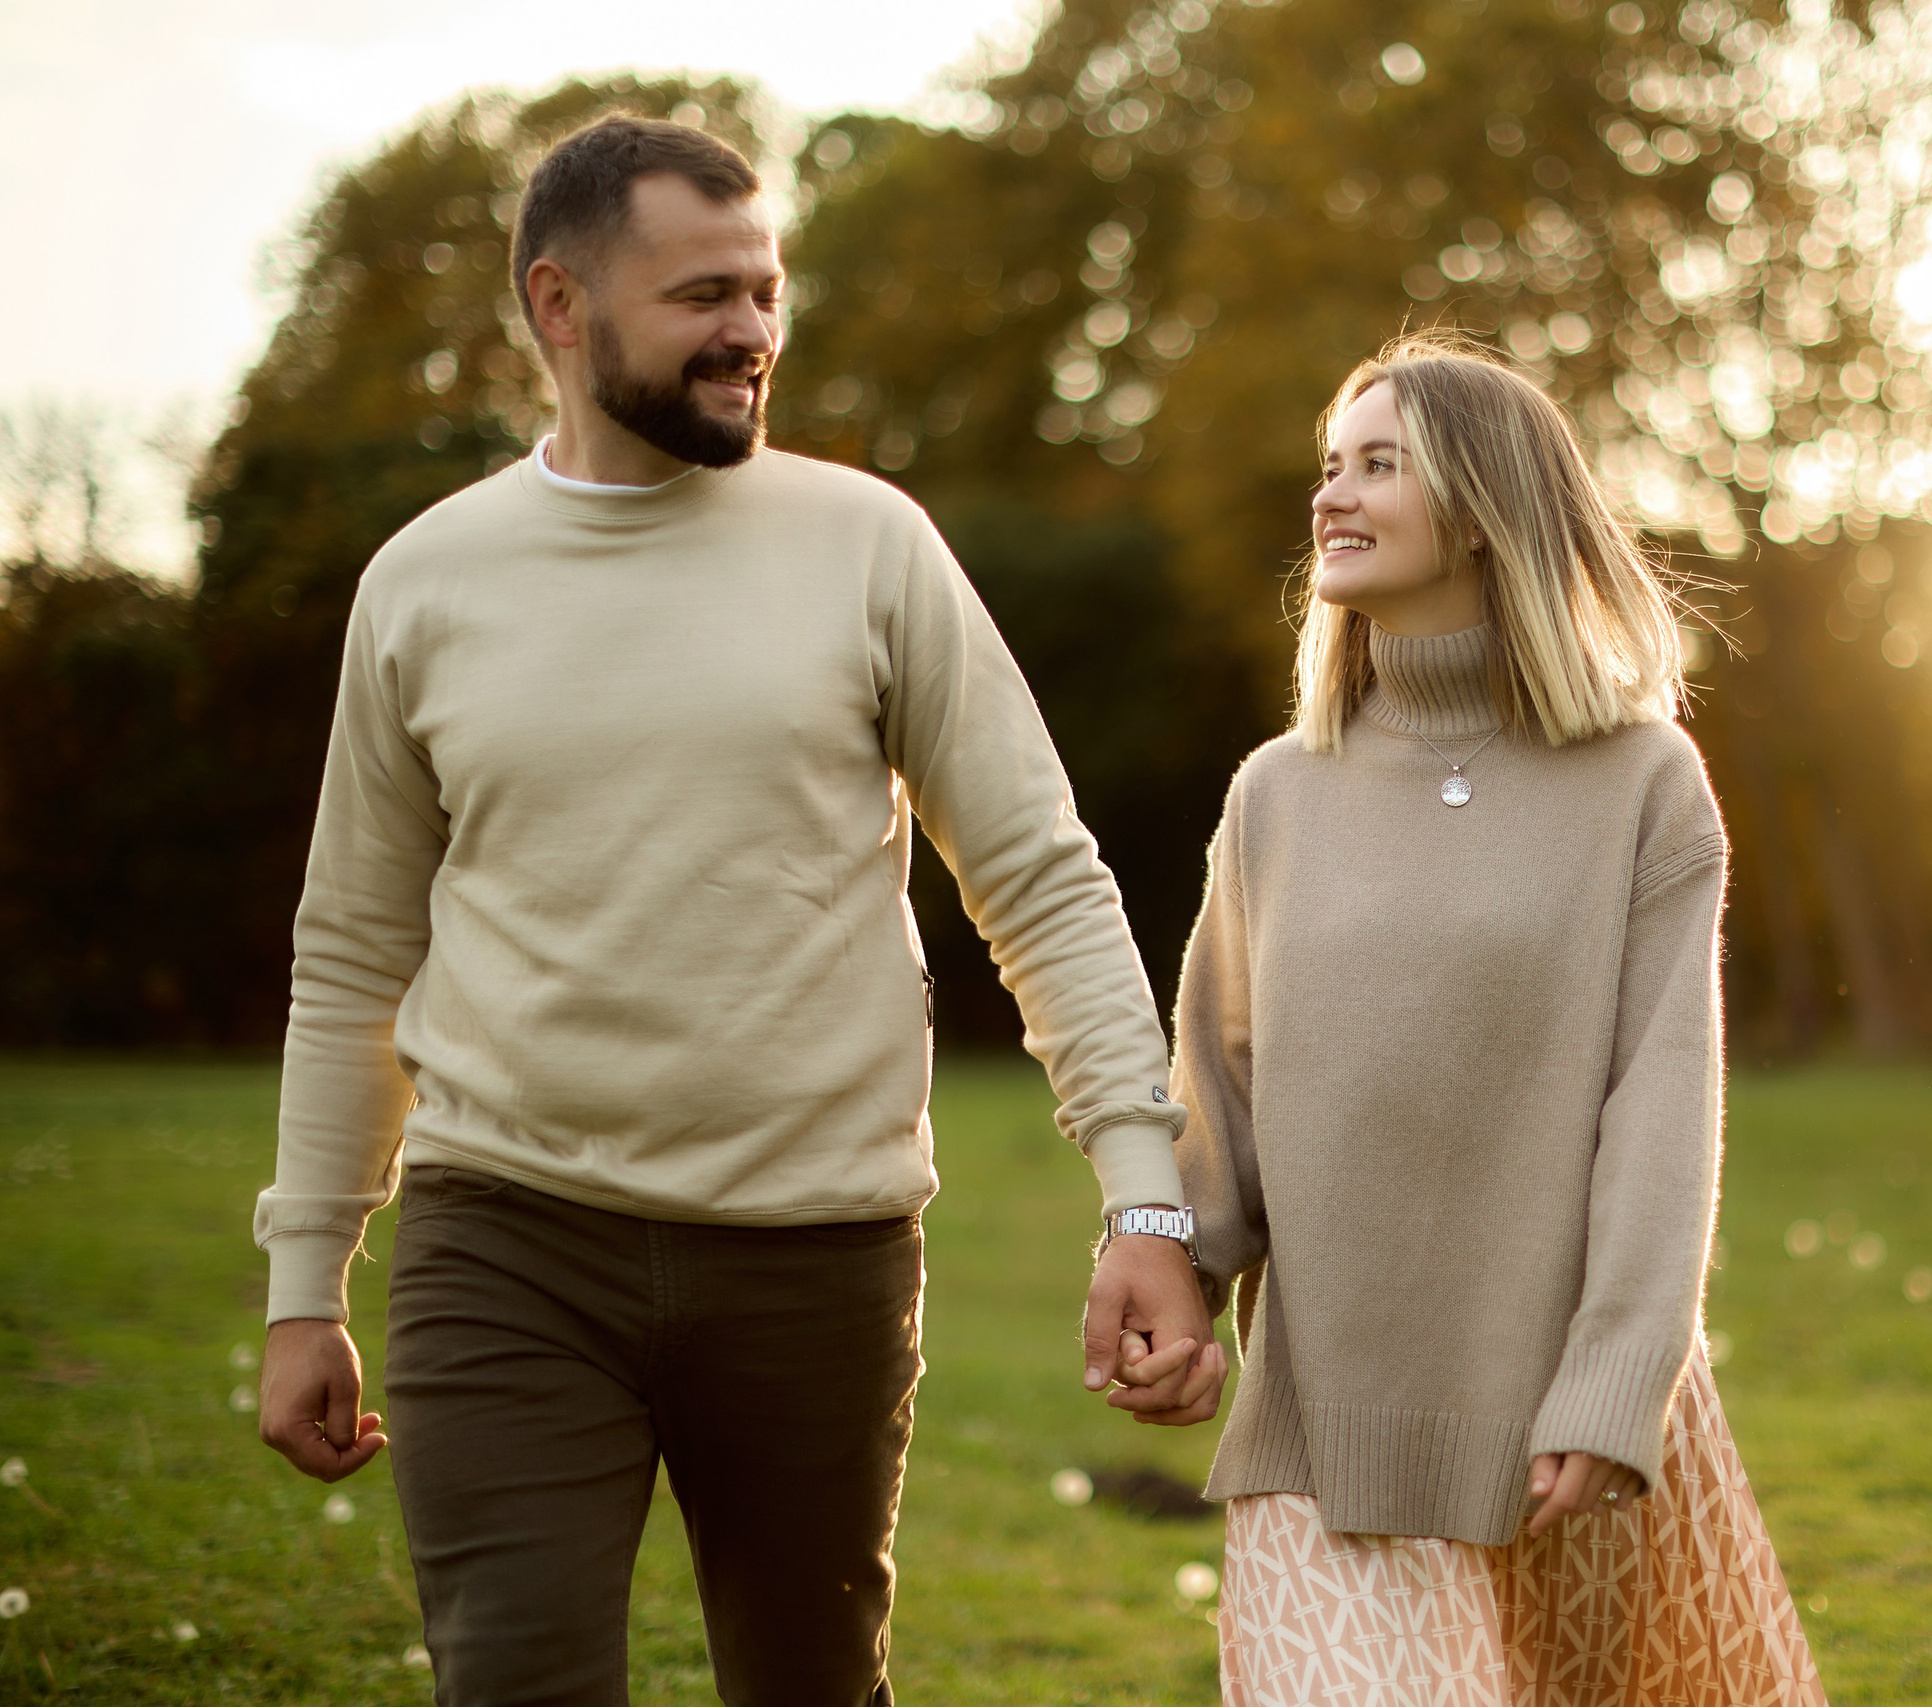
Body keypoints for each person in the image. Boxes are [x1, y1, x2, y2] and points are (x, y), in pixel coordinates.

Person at [250, 114, 1220, 1706]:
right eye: (703, 294)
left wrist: (1145, 1202)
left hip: (814, 1258)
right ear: (560, 306)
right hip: (507, 1243)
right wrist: (307, 1284)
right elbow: (356, 950)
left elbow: (1040, 877)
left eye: (766, 291)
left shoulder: (870, 548)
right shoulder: (425, 584)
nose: (753, 331)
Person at [1160, 334, 1828, 1704]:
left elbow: (1663, 1102)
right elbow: (1220, 1085)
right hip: (1325, 1426)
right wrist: (1174, 1268)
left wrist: (1617, 1381)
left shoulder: (1642, 783)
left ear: (1480, 508)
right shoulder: (1276, 793)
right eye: (1329, 467)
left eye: (1378, 465)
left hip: (1558, 1421)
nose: (1331, 496)